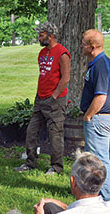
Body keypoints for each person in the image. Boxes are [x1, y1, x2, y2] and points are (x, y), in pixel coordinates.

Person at [15, 22, 70, 175]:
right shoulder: (42, 53)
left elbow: (65, 79)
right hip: (40, 98)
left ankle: (56, 167)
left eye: (41, 35)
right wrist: (40, 95)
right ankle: (30, 163)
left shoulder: (62, 53)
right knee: (31, 131)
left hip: (55, 100)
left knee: (55, 134)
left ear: (50, 36)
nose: (38, 38)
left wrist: (53, 96)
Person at [80, 29, 110, 201]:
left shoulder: (101, 64)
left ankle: (105, 199)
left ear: (93, 46)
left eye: (84, 43)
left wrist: (88, 116)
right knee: (97, 160)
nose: (81, 45)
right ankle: (96, 197)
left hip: (99, 117)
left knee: (100, 161)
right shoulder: (97, 63)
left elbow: (101, 96)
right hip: (100, 117)